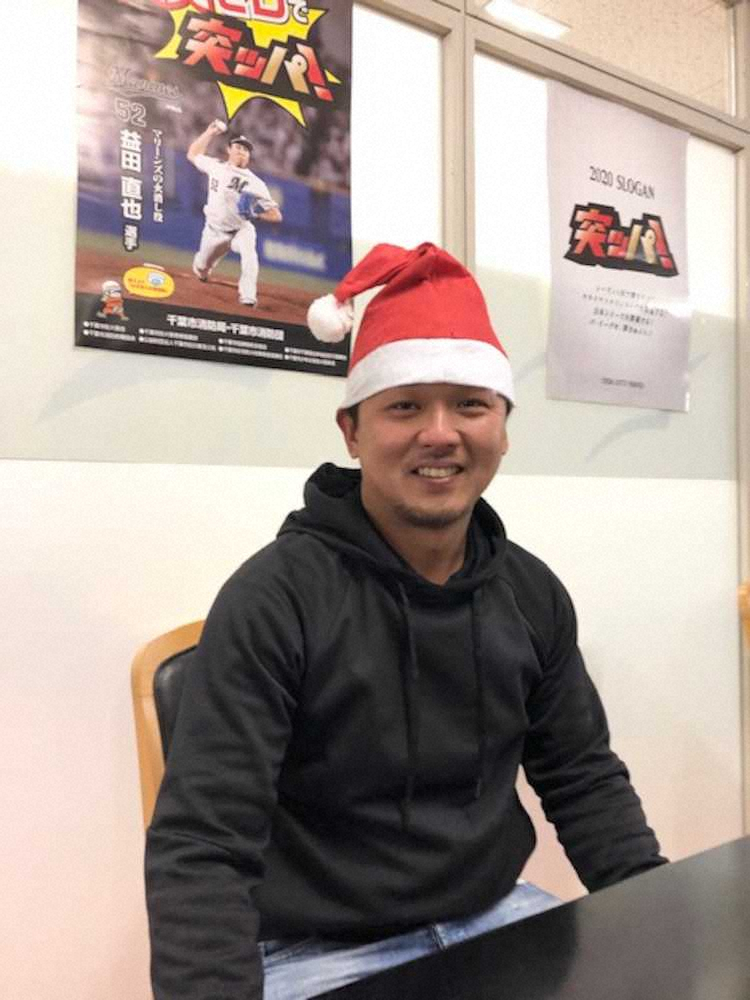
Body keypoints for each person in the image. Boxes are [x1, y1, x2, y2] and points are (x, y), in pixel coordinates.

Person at [145, 242, 667, 1000]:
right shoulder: (274, 599)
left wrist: (662, 920)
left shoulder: (531, 593)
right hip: (312, 951)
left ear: (504, 427)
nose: (440, 433)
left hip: (498, 918)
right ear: (352, 431)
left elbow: (583, 780)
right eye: (405, 406)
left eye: (470, 404)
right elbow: (202, 844)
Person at [187, 120, 282, 308]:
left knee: (250, 255)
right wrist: (209, 133)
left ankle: (248, 296)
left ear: (249, 156)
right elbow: (193, 154)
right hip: (214, 230)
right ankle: (202, 269)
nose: (241, 151)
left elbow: (276, 215)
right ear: (228, 150)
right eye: (238, 147)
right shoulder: (216, 166)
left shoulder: (256, 183)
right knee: (201, 268)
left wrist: (255, 214)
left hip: (241, 229)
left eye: (245, 149)